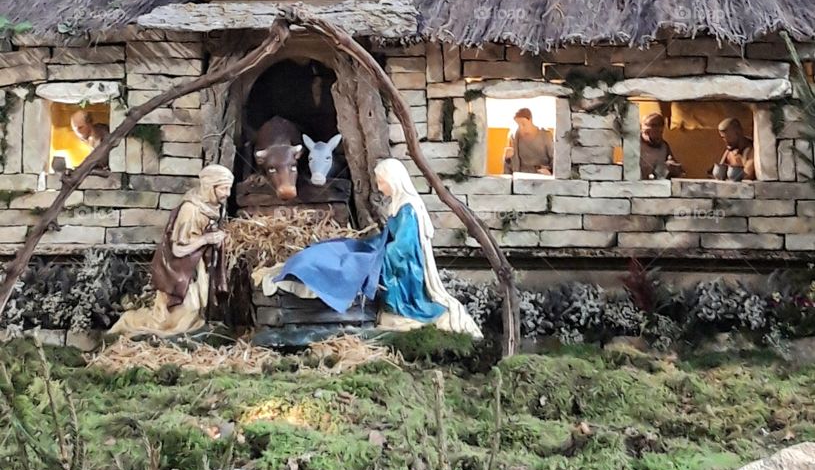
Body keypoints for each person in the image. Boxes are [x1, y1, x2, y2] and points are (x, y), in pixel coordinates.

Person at [264, 158, 481, 337]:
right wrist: (368, 247)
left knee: (352, 261)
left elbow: (403, 247)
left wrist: (373, 260)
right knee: (343, 250)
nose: (378, 187)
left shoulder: (409, 209)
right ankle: (310, 264)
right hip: (389, 253)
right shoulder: (398, 204)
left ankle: (401, 311)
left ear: (393, 181)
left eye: (381, 182)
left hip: (404, 269)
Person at [110, 164, 233, 336]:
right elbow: (178, 250)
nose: (227, 193)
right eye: (224, 188)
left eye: (229, 188)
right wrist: (206, 239)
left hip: (198, 268)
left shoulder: (216, 207)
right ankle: (129, 322)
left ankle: (189, 335)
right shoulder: (190, 210)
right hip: (180, 270)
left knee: (195, 312)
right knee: (172, 320)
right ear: (210, 187)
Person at [503, 108, 553, 175]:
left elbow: (554, 158)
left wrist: (550, 172)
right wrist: (507, 159)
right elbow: (508, 166)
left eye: (523, 124)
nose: (521, 127)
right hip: (521, 178)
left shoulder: (545, 135)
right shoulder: (514, 136)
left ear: (530, 120)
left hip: (542, 177)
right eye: (518, 124)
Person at [639, 113, 682, 179]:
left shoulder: (664, 146)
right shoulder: (634, 144)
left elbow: (675, 167)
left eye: (657, 127)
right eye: (646, 131)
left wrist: (673, 168)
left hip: (657, 185)